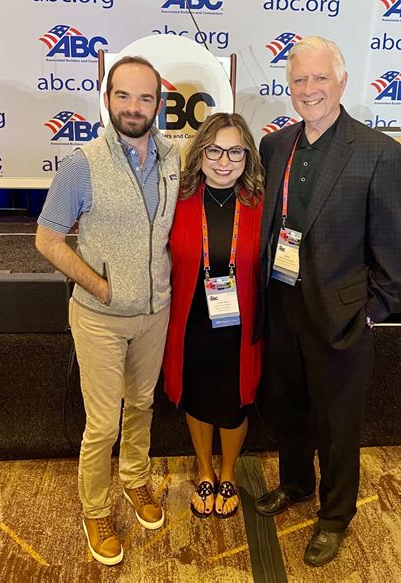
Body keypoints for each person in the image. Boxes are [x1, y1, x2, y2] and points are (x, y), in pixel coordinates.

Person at [254, 37, 401, 566]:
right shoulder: (275, 146)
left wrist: (371, 312)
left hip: (342, 315)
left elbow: (392, 246)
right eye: (299, 79)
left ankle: (335, 515)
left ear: (342, 82)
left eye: (320, 77)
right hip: (281, 303)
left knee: (338, 423)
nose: (309, 89)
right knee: (288, 405)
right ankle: (296, 483)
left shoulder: (377, 151)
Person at [35, 56, 181, 566]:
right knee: (102, 425)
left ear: (159, 104)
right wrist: (99, 285)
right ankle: (95, 510)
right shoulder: (82, 164)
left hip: (155, 313)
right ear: (107, 99)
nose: (134, 107)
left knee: (141, 405)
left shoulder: (174, 158)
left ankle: (135, 479)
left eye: (145, 98)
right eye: (124, 96)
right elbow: (47, 239)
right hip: (99, 318)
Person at [163, 113, 264, 519]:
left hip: (241, 326)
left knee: (234, 404)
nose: (224, 161)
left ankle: (228, 473)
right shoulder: (178, 199)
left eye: (235, 151)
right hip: (191, 323)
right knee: (198, 398)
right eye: (215, 150)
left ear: (248, 156)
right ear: (200, 152)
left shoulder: (260, 204)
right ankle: (205, 470)